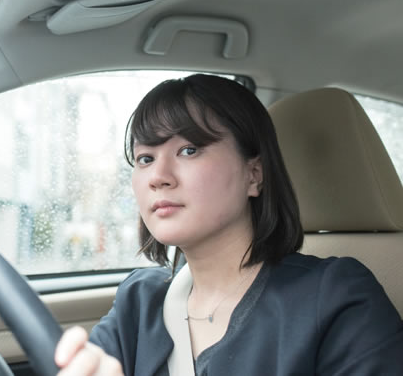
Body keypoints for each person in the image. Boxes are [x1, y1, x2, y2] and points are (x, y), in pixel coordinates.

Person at [54, 74, 403, 375]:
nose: (158, 177)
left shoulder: (335, 296)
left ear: (254, 175)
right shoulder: (139, 300)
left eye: (189, 150)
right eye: (145, 158)